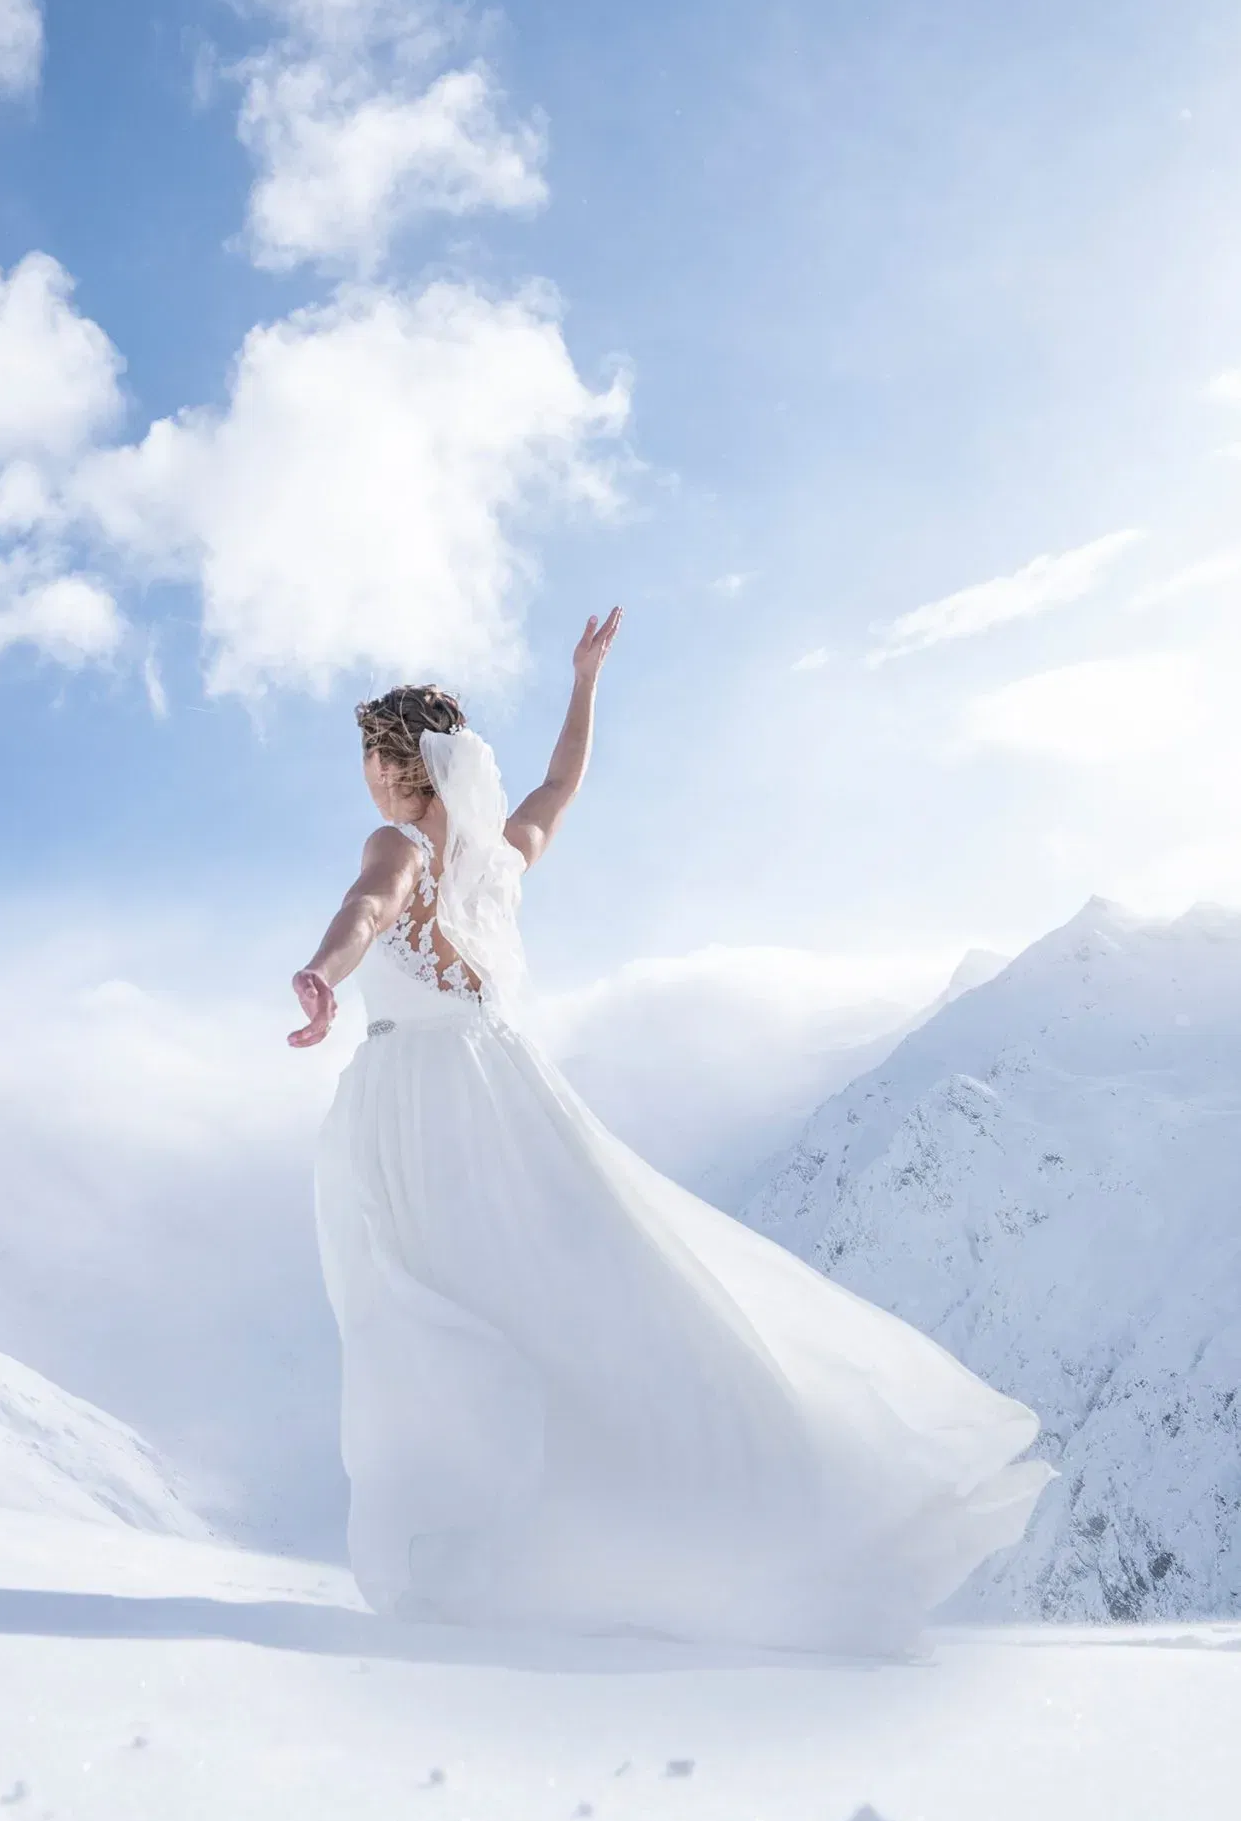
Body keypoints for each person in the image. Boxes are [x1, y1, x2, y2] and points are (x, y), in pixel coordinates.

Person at [289, 610, 1052, 1651]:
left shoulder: (398, 842)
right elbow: (558, 786)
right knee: (567, 1307)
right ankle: (660, 1524)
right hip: (506, 1093)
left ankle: (467, 1560)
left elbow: (367, 907)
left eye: (370, 759)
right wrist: (585, 683)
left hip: (422, 1106)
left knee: (425, 1317)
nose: (367, 779)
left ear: (393, 764)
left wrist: (323, 976)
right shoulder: (497, 854)